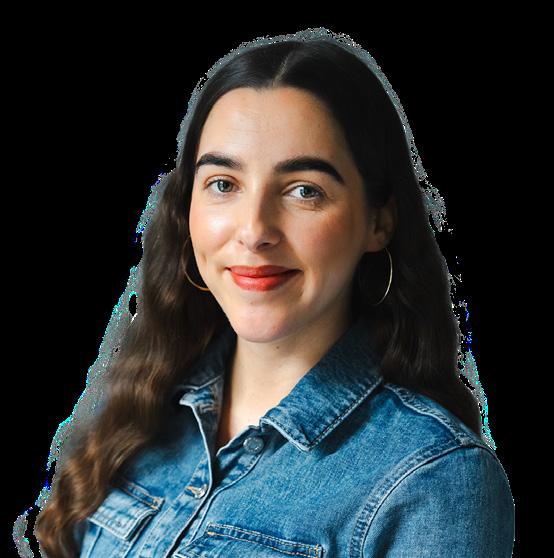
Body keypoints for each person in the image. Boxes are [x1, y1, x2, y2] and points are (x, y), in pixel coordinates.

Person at [31, 28, 515, 557]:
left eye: (304, 191)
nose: (255, 230)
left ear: (378, 222)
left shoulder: (433, 480)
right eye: (223, 184)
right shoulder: (136, 415)